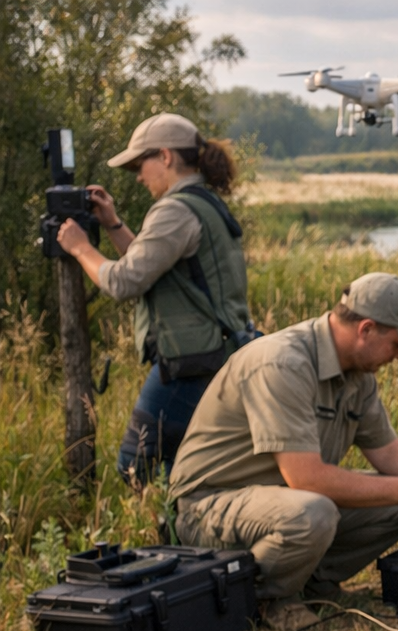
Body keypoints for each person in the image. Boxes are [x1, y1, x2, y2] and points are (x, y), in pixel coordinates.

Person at [168, 272, 398, 631]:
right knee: (316, 512)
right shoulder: (282, 363)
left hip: (281, 504)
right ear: (366, 329)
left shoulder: (358, 375)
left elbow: (388, 451)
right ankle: (263, 599)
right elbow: (307, 478)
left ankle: (309, 581)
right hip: (209, 507)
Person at [55, 113, 255, 486]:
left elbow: (123, 281)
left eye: (139, 164)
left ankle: (166, 537)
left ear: (164, 156)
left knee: (136, 466)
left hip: (191, 362)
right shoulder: (201, 202)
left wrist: (80, 248)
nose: (137, 176)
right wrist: (113, 224)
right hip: (219, 353)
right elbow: (153, 265)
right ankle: (185, 534)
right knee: (185, 464)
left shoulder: (174, 210)